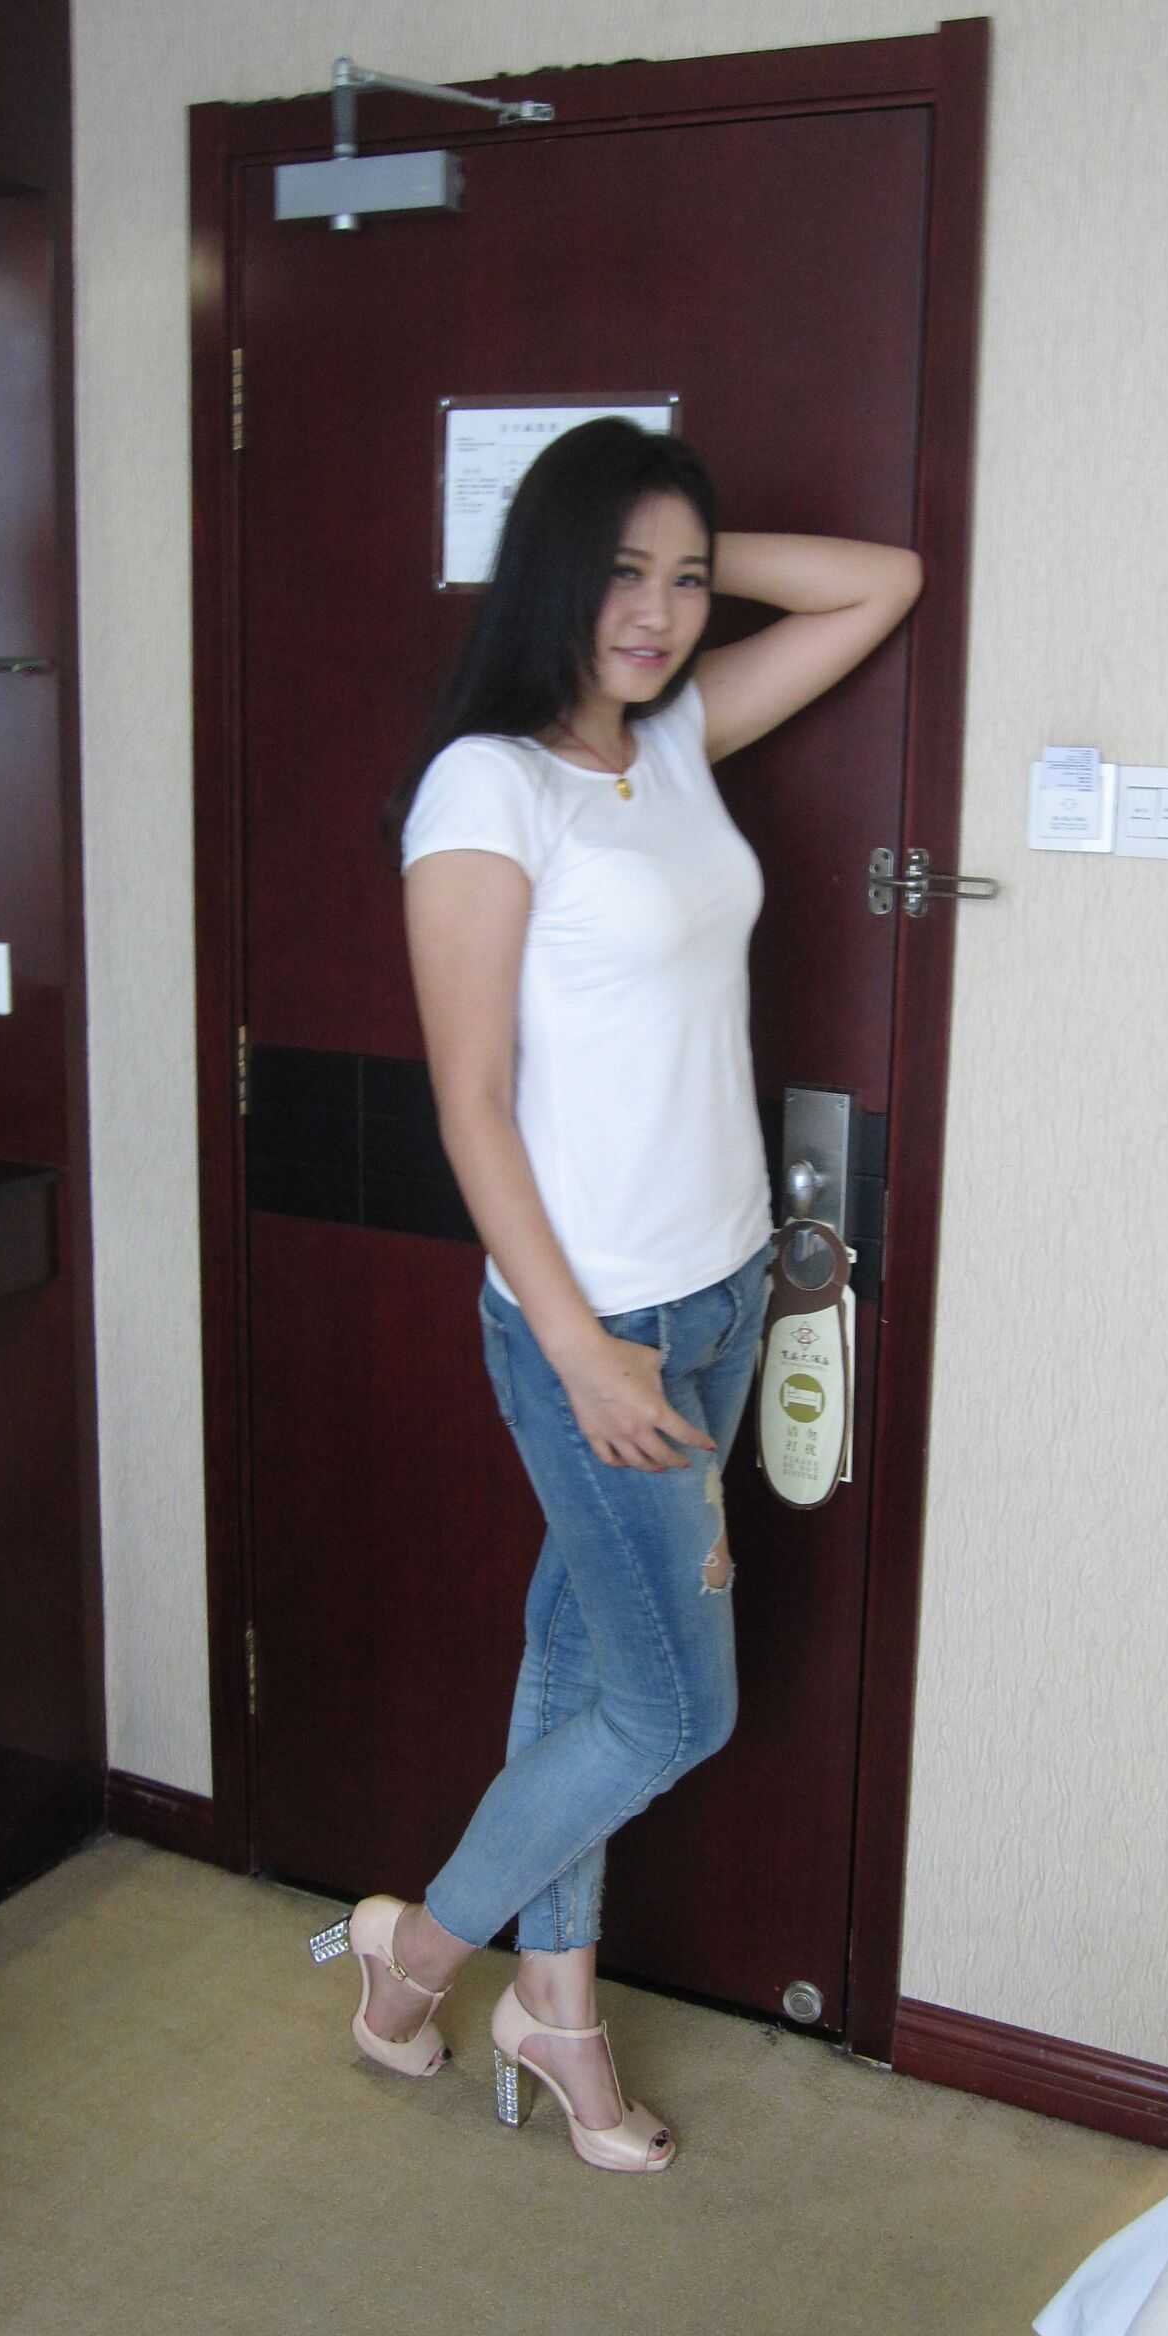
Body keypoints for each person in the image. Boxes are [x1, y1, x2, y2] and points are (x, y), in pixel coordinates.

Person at [337, 416, 921, 2173]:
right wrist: (580, 1346)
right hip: (598, 1325)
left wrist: (695, 553)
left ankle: (556, 2006)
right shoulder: (487, 787)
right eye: (619, 575)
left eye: (684, 579)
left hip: (724, 1285)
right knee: (675, 1711)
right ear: (548, 573)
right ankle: (417, 1953)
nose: (658, 614)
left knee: (581, 1658)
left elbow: (881, 585)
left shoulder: (667, 741)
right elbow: (470, 1103)